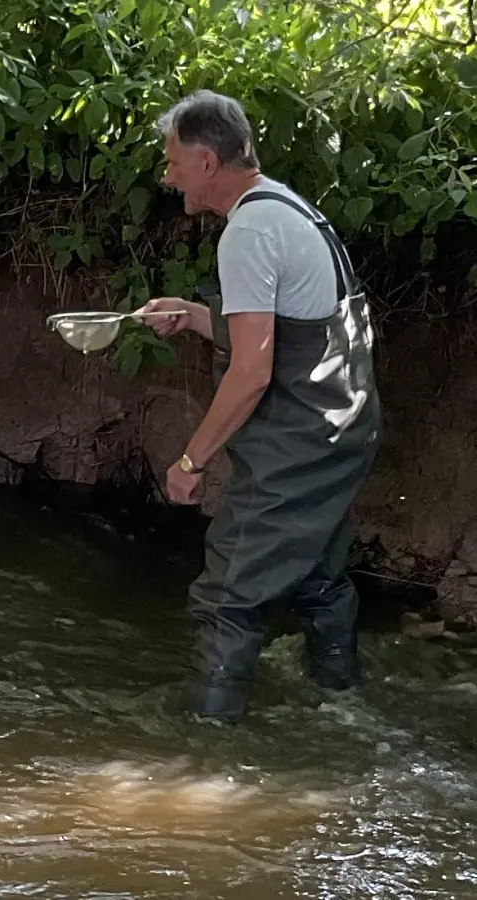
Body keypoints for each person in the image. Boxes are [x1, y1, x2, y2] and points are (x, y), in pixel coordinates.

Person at [142, 90, 381, 720]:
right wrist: (194, 316)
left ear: (207, 163)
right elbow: (292, 326)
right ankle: (342, 705)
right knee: (320, 581)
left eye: (172, 163)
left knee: (227, 599)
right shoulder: (286, 207)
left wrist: (190, 463)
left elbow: (253, 373)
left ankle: (202, 759)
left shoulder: (246, 233)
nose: (168, 177)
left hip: (298, 448)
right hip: (344, 430)